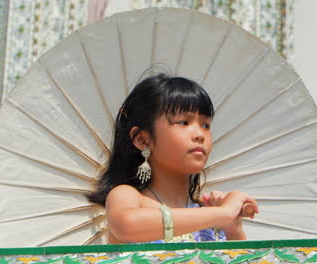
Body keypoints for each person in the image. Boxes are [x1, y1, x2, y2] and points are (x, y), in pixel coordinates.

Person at [86, 73, 259, 244]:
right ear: (142, 139)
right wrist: (222, 215)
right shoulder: (127, 197)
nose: (200, 134)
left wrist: (232, 227)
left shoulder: (208, 212)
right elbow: (127, 225)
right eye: (184, 122)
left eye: (205, 125)